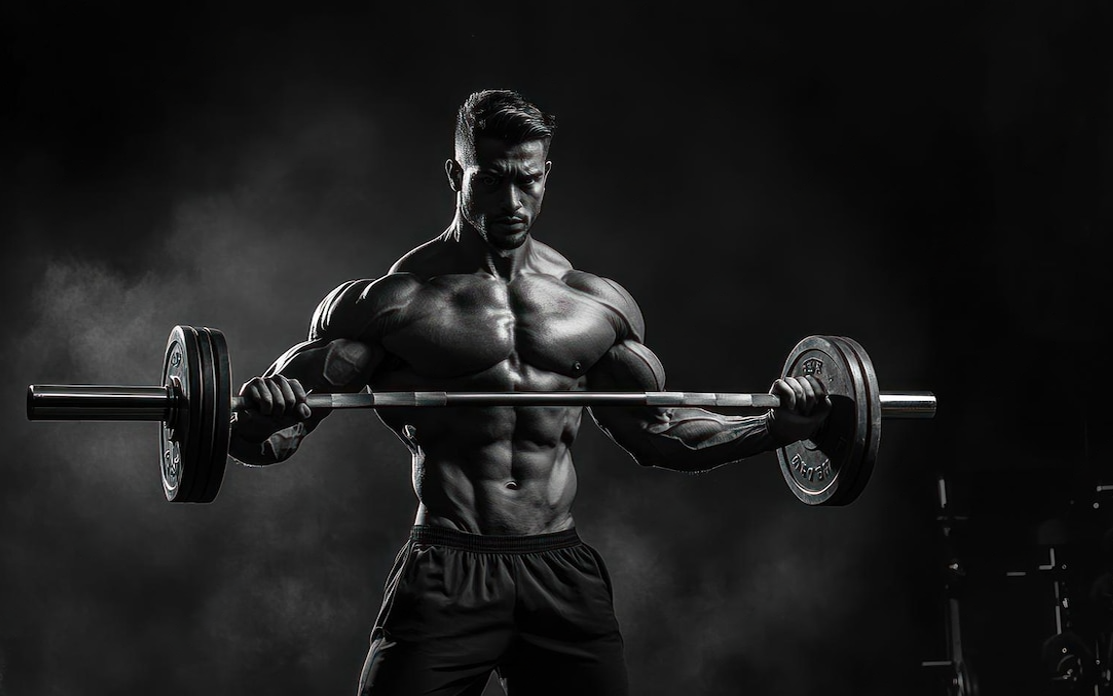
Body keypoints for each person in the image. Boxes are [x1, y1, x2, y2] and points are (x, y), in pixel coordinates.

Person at [226, 90, 830, 696]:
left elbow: (658, 434)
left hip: (559, 570)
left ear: (546, 174)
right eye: (490, 181)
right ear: (455, 174)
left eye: (528, 180)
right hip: (448, 566)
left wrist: (775, 430)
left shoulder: (596, 305)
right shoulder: (392, 303)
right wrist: (260, 418)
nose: (512, 202)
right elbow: (267, 439)